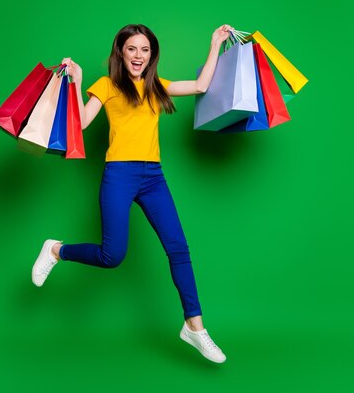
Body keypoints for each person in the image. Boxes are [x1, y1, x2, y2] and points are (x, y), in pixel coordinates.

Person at [31, 23, 233, 364]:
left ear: (151, 54)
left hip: (153, 176)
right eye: (132, 49)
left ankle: (194, 327)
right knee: (113, 256)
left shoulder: (157, 86)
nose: (139, 56)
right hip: (119, 174)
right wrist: (78, 80)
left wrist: (215, 43)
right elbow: (78, 123)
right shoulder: (107, 85)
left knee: (178, 249)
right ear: (120, 53)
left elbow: (201, 85)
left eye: (145, 50)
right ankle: (56, 250)